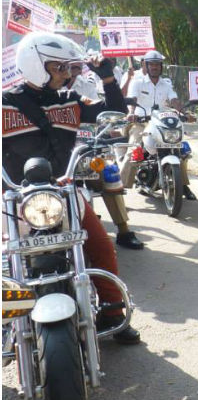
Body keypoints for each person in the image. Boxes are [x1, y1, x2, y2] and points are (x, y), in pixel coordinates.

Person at [2, 31, 140, 344]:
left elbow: (116, 114)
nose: (66, 74)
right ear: (37, 65)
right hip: (16, 197)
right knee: (5, 256)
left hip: (62, 190)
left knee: (102, 247)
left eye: (67, 67)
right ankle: (8, 318)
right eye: (59, 67)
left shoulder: (70, 100)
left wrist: (108, 78)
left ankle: (113, 312)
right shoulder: (5, 103)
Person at [64, 63, 144, 249]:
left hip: (85, 150)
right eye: (67, 67)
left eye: (75, 66)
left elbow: (102, 111)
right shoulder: (38, 95)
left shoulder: (84, 88)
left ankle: (123, 230)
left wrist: (106, 129)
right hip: (59, 160)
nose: (72, 70)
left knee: (110, 172)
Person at [123, 50, 196, 200]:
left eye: (157, 64)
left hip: (161, 122)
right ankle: (120, 187)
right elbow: (132, 99)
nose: (155, 67)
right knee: (133, 149)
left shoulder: (166, 84)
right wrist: (131, 113)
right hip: (141, 122)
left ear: (161, 66)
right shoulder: (137, 82)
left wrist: (184, 113)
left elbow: (174, 100)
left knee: (178, 148)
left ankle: (182, 185)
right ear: (146, 65)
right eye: (152, 64)